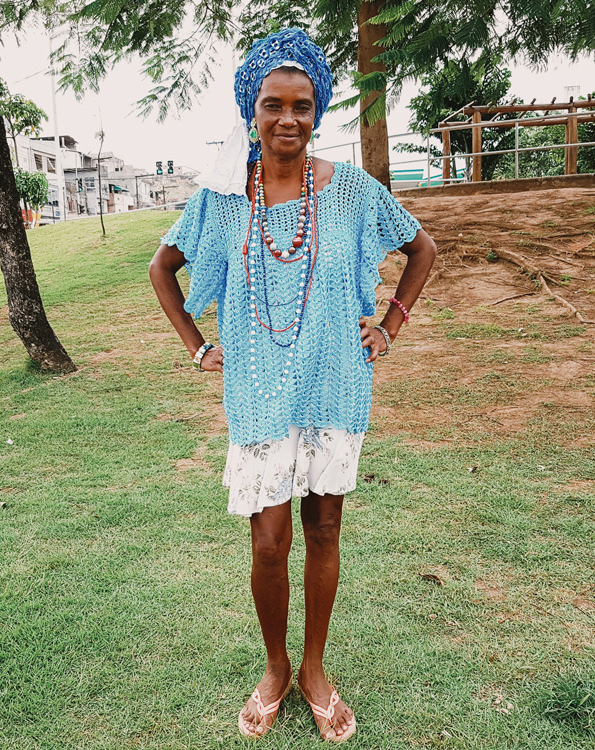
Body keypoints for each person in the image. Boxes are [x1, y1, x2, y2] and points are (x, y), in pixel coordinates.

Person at [149, 28, 436, 743]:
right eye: (273, 104)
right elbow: (163, 269)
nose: (288, 119)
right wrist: (198, 348)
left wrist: (390, 322)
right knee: (270, 541)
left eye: (302, 105)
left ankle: (314, 668)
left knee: (325, 528)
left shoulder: (352, 194)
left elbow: (421, 247)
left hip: (335, 385)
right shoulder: (221, 198)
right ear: (251, 110)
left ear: (318, 111)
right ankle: (275, 667)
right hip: (257, 394)